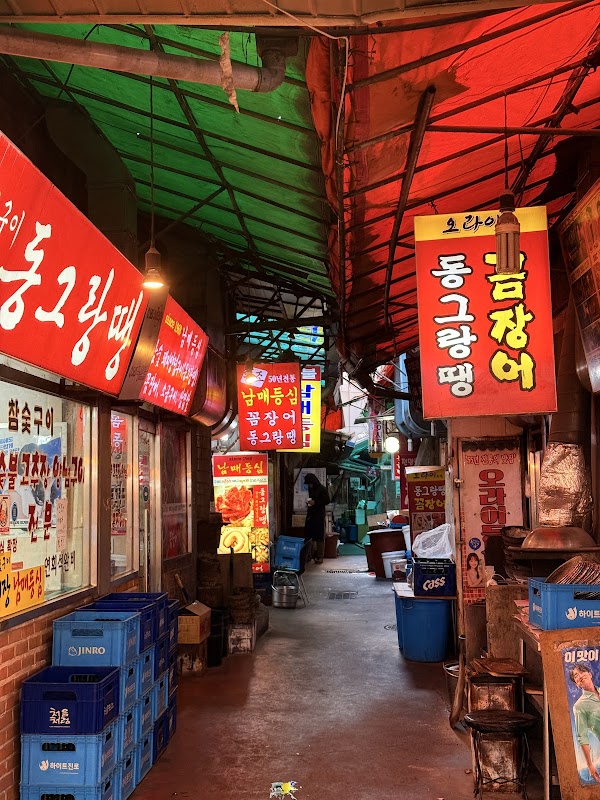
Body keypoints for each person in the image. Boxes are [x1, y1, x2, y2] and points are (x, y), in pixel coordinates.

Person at [570, 663, 600, 783]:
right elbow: (582, 737)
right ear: (576, 684)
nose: (580, 675)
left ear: (590, 674)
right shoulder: (579, 706)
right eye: (576, 675)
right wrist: (590, 765)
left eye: (582, 671)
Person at [303, 473, 330, 564]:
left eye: (310, 483)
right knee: (308, 536)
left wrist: (316, 502)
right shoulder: (311, 489)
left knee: (319, 537)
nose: (309, 485)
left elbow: (327, 500)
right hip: (311, 514)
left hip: (319, 515)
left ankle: (320, 557)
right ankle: (308, 556)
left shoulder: (322, 489)